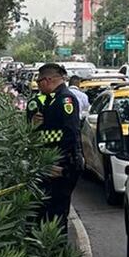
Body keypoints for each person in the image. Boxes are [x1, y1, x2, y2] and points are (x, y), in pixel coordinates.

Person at [26, 63, 83, 233]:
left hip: (60, 166)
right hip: (49, 164)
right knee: (46, 212)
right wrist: (32, 124)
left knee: (57, 215)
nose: (38, 85)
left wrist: (62, 165)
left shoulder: (66, 99)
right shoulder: (51, 99)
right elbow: (47, 133)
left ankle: (57, 253)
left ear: (48, 80)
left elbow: (70, 134)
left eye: (39, 82)